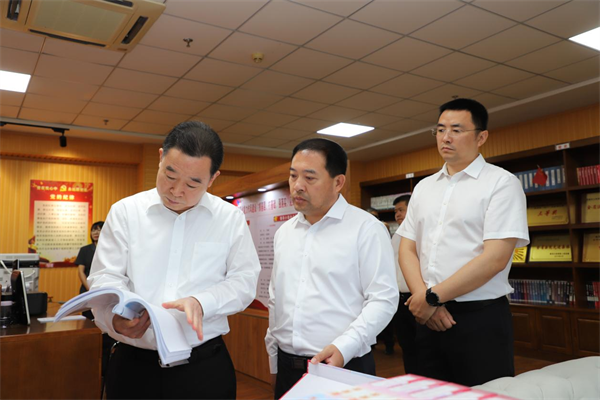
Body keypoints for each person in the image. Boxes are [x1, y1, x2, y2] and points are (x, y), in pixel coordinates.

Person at [88, 121, 261, 400]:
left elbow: (244, 282)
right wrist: (113, 319)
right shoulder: (126, 212)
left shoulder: (229, 218)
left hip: (204, 368)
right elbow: (105, 277)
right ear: (160, 157)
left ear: (212, 179)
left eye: (193, 183)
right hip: (133, 364)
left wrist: (202, 302)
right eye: (170, 175)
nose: (176, 191)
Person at [398, 98, 529, 386]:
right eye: (440, 129)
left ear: (481, 137)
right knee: (430, 393)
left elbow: (495, 258)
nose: (445, 137)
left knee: (485, 392)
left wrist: (432, 298)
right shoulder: (423, 188)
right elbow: (407, 248)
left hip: (479, 318)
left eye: (456, 130)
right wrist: (424, 299)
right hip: (427, 317)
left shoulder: (501, 183)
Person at [265, 138, 399, 399]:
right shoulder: (284, 232)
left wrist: (344, 347)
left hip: (342, 366)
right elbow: (275, 298)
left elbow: (383, 299)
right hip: (287, 366)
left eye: (309, 178)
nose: (297, 185)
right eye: (293, 176)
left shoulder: (365, 229)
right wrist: (273, 361)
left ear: (338, 182)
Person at [382, 195, 418, 373]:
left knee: (423, 348)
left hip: (417, 297)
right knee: (407, 346)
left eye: (401, 210)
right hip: (400, 298)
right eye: (395, 211)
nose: (397, 214)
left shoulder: (420, 232)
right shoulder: (396, 235)